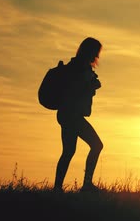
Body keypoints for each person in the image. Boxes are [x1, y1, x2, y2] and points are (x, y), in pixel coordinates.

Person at [53, 37, 104, 192]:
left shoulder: (78, 66)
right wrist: (92, 86)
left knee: (68, 151)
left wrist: (91, 86)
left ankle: (57, 188)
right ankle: (86, 185)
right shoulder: (78, 68)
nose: (98, 56)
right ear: (90, 51)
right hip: (72, 115)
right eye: (97, 52)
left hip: (67, 114)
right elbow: (75, 91)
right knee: (96, 145)